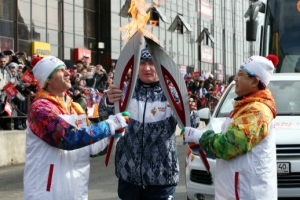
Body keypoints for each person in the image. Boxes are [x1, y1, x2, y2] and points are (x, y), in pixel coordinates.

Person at [99, 47, 199, 200]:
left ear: (161, 67)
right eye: (142, 63)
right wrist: (108, 102)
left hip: (162, 176)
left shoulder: (173, 94)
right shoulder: (124, 91)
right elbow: (104, 116)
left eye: (152, 64)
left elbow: (190, 126)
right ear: (135, 66)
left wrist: (189, 111)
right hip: (128, 173)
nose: (147, 68)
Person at [23, 56, 129, 200]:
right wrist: (109, 125)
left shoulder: (75, 108)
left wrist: (111, 135)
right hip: (46, 192)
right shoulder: (40, 109)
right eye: (60, 71)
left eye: (66, 69)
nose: (68, 73)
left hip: (76, 191)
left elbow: (92, 149)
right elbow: (67, 138)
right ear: (48, 80)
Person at [182, 55, 279, 200]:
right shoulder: (243, 106)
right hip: (234, 192)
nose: (235, 79)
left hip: (248, 194)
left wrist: (200, 136)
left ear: (254, 81)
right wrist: (203, 147)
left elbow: (229, 146)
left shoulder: (256, 112)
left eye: (240, 74)